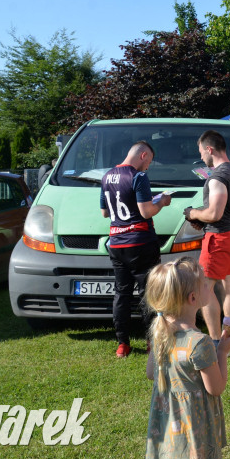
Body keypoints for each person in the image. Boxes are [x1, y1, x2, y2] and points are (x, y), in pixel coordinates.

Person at [144, 257, 230, 459]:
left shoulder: (160, 334)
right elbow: (216, 387)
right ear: (193, 298)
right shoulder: (200, 342)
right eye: (204, 283)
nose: (207, 286)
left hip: (166, 427)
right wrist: (221, 351)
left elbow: (151, 373)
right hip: (193, 428)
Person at [100, 141, 173, 358]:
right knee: (148, 292)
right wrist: (162, 202)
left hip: (116, 242)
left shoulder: (106, 177)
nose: (148, 167)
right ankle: (152, 341)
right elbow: (146, 211)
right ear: (143, 155)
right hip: (140, 242)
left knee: (121, 293)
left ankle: (123, 343)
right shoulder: (138, 177)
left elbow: (105, 213)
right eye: (148, 161)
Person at [184, 130, 230, 352]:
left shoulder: (218, 177)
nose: (201, 157)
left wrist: (193, 213)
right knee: (228, 285)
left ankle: (216, 340)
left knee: (205, 288)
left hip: (219, 237)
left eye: (201, 152)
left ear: (209, 149)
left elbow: (215, 214)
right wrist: (203, 215)